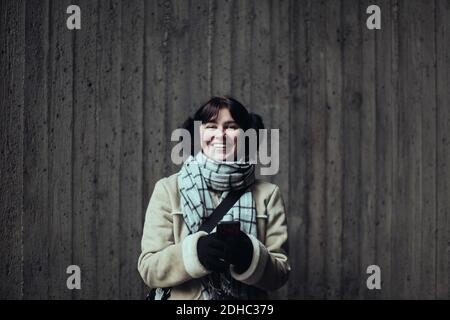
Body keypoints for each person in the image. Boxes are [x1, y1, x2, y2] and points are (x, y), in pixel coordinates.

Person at [137, 96, 290, 300]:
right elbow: (149, 269)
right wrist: (194, 254)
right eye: (211, 126)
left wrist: (249, 257)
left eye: (231, 126)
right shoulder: (168, 189)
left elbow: (280, 275)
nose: (220, 135)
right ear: (198, 132)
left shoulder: (268, 195)